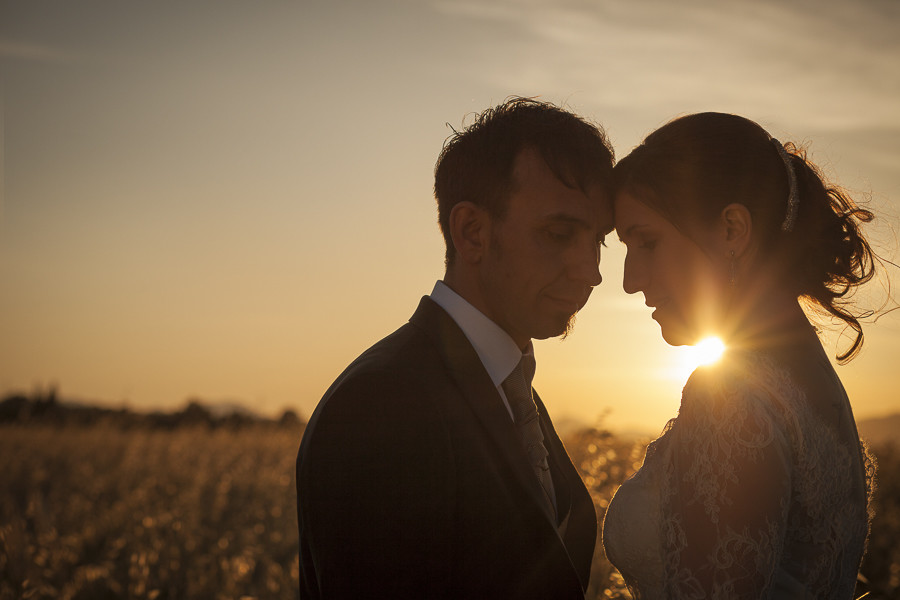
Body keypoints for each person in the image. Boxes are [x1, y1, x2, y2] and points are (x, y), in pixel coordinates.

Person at [296, 98, 615, 599]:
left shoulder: (513, 392)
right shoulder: (382, 403)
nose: (591, 271)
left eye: (598, 240)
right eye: (559, 234)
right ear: (472, 232)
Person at [603, 112, 878, 599]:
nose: (629, 279)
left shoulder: (730, 395)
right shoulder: (811, 374)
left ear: (732, 229)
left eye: (647, 242)